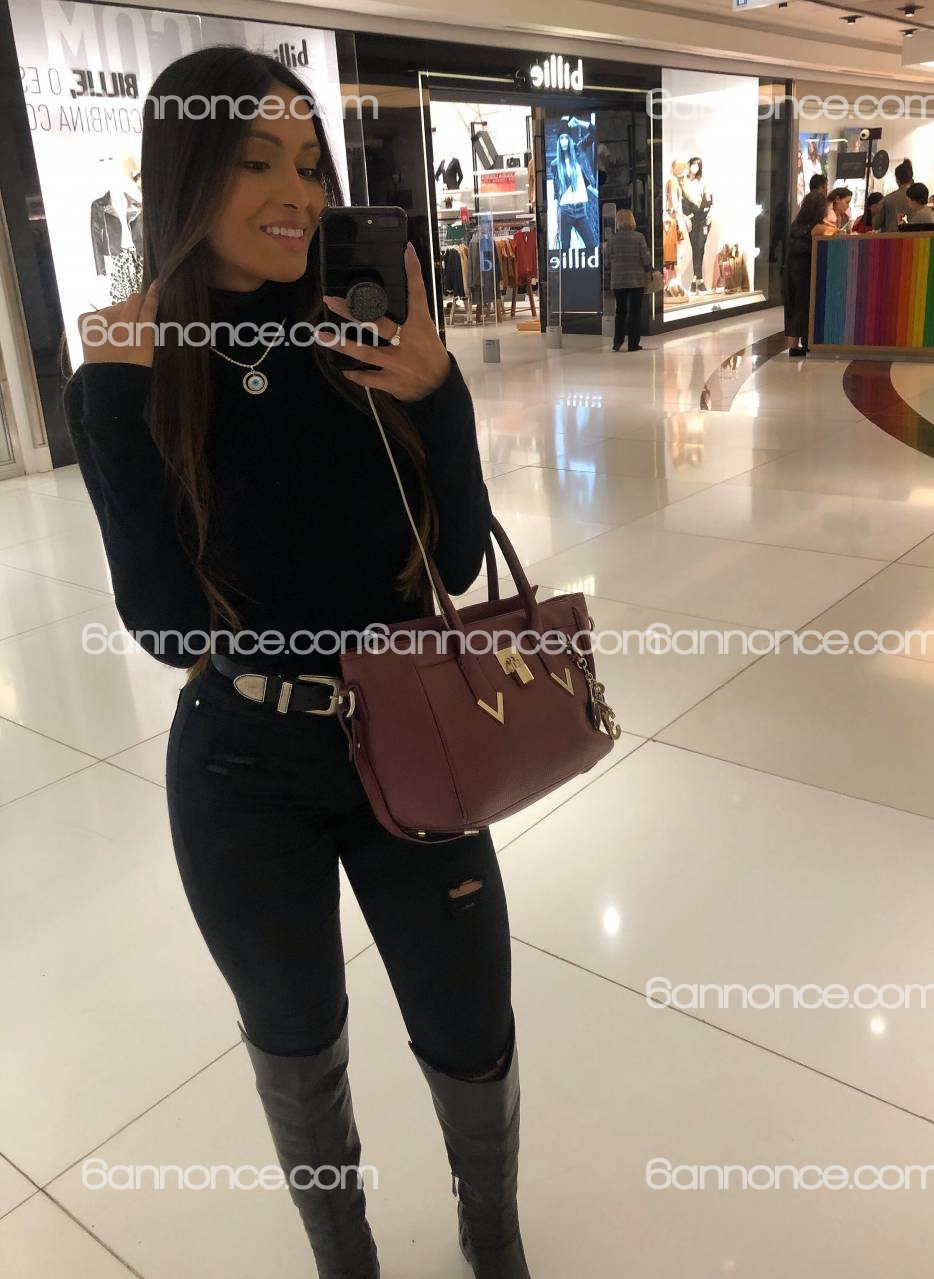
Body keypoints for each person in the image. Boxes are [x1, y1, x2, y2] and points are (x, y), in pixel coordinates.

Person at [64, 46, 531, 1279]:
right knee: (294, 1040)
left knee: (469, 1027)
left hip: (417, 742)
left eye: (312, 164)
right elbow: (169, 625)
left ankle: (493, 1241)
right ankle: (344, 1258)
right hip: (243, 765)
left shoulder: (359, 330)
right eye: (258, 162)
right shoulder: (138, 366)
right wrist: (109, 398)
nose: (299, 194)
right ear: (186, 178)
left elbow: (458, 559)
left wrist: (437, 391)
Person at [783, 190, 832, 357]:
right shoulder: (817, 227)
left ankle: (793, 345)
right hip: (805, 269)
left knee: (794, 305)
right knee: (805, 305)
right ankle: (806, 343)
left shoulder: (795, 225)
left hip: (791, 268)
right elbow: (833, 231)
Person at [607, 208, 652, 352]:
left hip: (618, 280)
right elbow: (646, 258)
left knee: (620, 312)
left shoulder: (612, 239)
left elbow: (607, 262)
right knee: (635, 312)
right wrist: (648, 269)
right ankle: (633, 344)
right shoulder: (639, 237)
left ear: (618, 222)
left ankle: (617, 342)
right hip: (636, 280)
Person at [550, 126, 599, 253]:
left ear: (570, 140)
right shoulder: (555, 164)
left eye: (566, 138)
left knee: (591, 245)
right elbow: (557, 191)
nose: (564, 141)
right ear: (558, 142)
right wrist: (557, 218)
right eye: (561, 138)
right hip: (565, 210)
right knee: (565, 248)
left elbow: (594, 132)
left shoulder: (578, 152)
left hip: (580, 210)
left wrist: (578, 122)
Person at [679, 156, 713, 293]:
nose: (695, 167)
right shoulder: (684, 182)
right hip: (692, 219)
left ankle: (695, 279)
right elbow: (683, 201)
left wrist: (711, 210)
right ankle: (699, 280)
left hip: (704, 218)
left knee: (700, 245)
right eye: (694, 164)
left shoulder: (704, 181)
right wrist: (686, 217)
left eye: (698, 165)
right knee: (695, 247)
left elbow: (709, 199)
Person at [878, 159, 914, 231]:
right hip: (914, 237)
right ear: (911, 179)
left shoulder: (887, 199)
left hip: (891, 236)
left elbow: (876, 224)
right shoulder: (918, 199)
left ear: (897, 179)